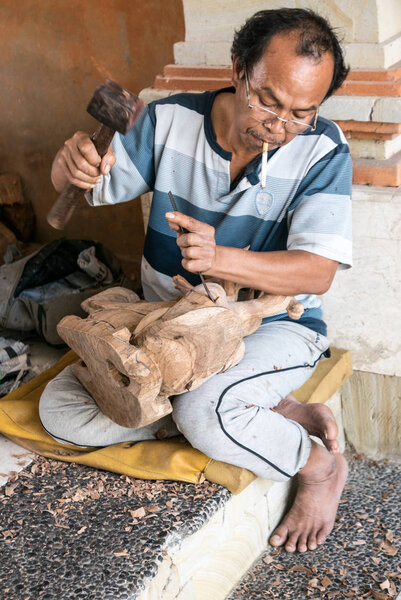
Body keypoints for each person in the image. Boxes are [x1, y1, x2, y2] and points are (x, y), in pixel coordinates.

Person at [41, 8, 352, 553]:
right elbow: (89, 181)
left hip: (273, 326)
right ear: (239, 70)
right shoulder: (166, 121)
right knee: (62, 412)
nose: (278, 127)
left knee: (202, 412)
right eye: (268, 102)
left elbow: (317, 271)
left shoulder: (322, 149)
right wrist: (70, 168)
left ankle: (318, 465)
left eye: (300, 113)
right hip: (166, 327)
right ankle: (258, 408)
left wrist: (220, 258)